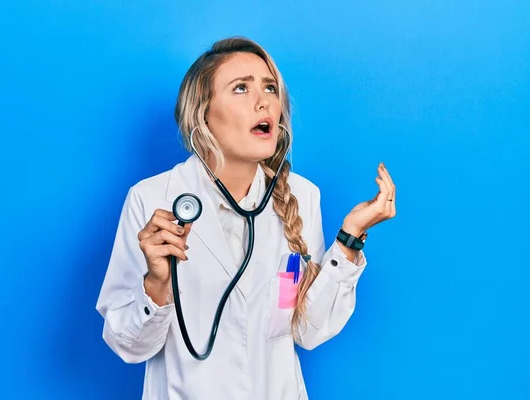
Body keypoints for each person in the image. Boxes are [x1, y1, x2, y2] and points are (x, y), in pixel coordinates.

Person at [96, 36, 396, 400]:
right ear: (203, 112)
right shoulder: (151, 199)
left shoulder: (302, 196)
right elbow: (128, 345)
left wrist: (350, 239)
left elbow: (312, 330)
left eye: (270, 88)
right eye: (241, 88)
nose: (263, 101)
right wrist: (157, 284)